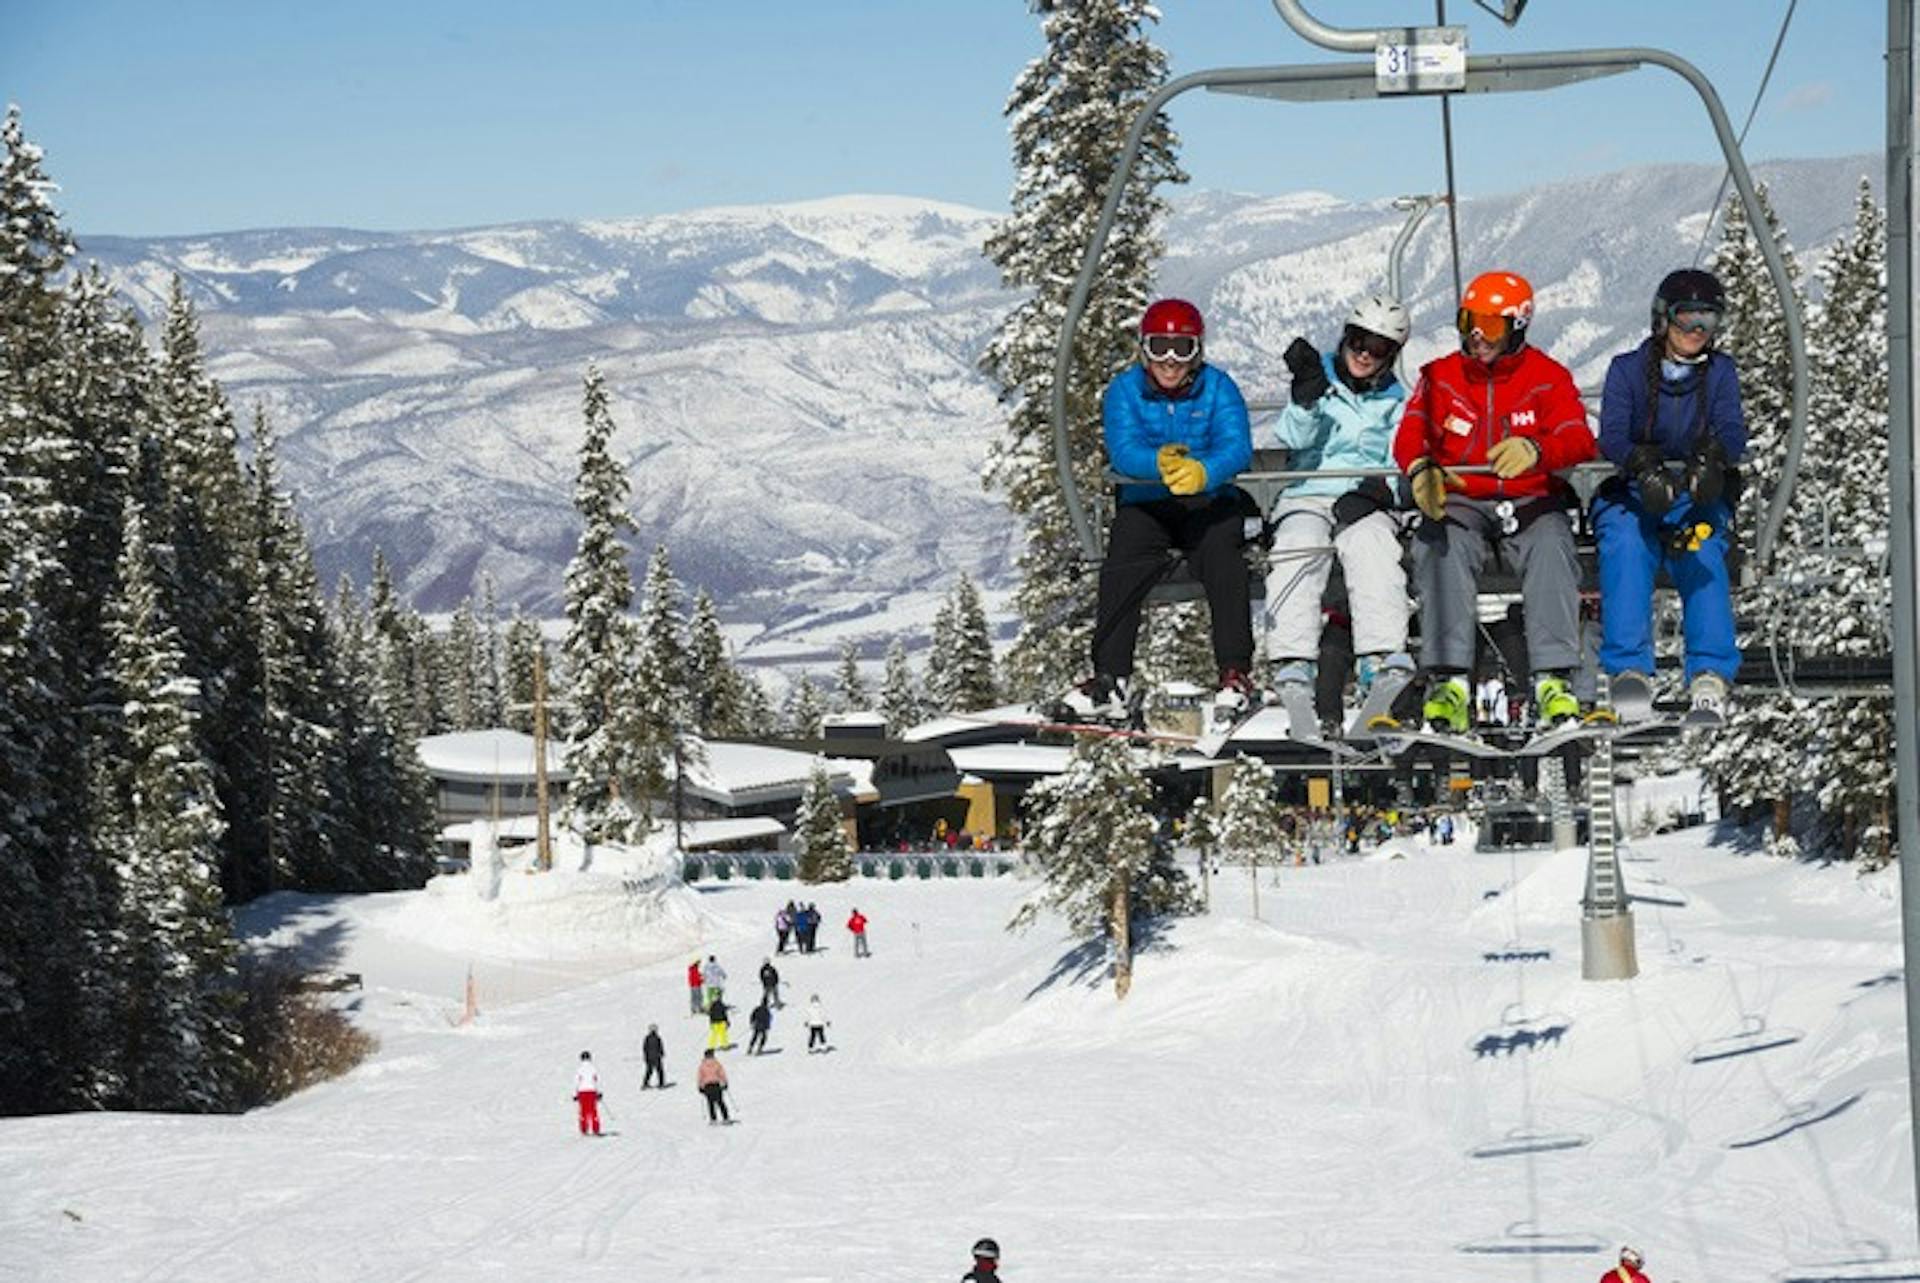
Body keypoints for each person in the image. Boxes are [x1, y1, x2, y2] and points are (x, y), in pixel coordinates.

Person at [1392, 269, 1598, 733]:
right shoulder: (1441, 376)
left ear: (1518, 327)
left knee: (1552, 545)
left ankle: (1552, 676)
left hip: (1528, 501)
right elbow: (1412, 431)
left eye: (1492, 326)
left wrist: (1539, 451)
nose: (1479, 337)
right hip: (1465, 500)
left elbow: (1577, 436)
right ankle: (1448, 679)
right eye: (1470, 321)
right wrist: (1421, 467)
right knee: (1437, 543)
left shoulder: (1545, 378)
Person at [1059, 298, 1256, 726]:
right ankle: (1111, 677)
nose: (1170, 361)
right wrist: (1158, 466)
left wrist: (1205, 472)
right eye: (1160, 347)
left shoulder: (1219, 388)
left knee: (1224, 558)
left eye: (1181, 349)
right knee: (1123, 561)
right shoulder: (1125, 391)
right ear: (1144, 350)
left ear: (1197, 352)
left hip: (1207, 501)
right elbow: (1123, 448)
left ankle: (1234, 673)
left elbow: (1237, 446)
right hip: (1147, 502)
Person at [1595, 267, 1746, 720]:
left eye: (1708, 321)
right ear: (1663, 319)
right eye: (1687, 319)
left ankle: (1709, 670)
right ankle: (1630, 669)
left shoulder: (1719, 373)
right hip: (1633, 494)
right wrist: (1641, 465)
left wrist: (1715, 456)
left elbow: (1734, 429)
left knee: (1701, 552)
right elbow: (1613, 435)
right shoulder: (1628, 371)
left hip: (1692, 496)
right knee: (1625, 546)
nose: (1697, 332)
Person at [1264, 295, 1416, 717]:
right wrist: (1306, 400)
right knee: (1299, 544)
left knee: (1374, 547)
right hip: (1308, 490)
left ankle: (1380, 656)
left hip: (1362, 499)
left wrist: (1379, 491)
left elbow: (1397, 456)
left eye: (1379, 347)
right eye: (1359, 341)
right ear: (1346, 338)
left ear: (1392, 355)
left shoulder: (1396, 401)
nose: (1365, 354)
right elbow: (1292, 439)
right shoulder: (1319, 382)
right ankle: (1292, 660)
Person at [696, 1049, 730, 1124]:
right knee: (720, 1102)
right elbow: (722, 1074)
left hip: (708, 1086)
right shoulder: (717, 1064)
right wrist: (725, 1082)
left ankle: (713, 1119)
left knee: (710, 1103)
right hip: (716, 1084)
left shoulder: (702, 1065)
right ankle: (726, 1117)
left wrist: (700, 1086)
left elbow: (700, 1076)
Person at [573, 1050, 602, 1136]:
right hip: (592, 1091)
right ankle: (595, 1129)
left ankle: (584, 1129)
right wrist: (599, 1092)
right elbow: (596, 1080)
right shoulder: (593, 1068)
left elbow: (576, 1081)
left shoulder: (579, 1069)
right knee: (593, 1111)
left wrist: (575, 1094)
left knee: (583, 1111)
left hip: (582, 1092)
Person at [641, 1024, 666, 1089]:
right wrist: (662, 1053)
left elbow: (645, 1048)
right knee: (660, 1071)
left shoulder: (647, 1038)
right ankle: (661, 1084)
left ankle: (645, 1084)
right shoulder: (657, 1038)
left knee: (649, 1071)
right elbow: (660, 1047)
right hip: (657, 1057)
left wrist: (646, 1056)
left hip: (649, 1058)